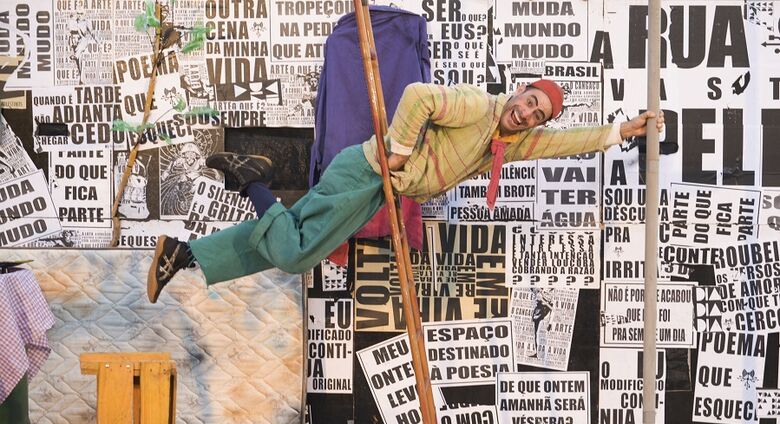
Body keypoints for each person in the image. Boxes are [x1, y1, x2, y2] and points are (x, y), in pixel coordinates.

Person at [147, 80, 665, 303]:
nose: (527, 113)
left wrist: (622, 131)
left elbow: (564, 143)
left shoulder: (511, 141)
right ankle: (251, 177)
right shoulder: (480, 107)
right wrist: (398, 149)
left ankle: (184, 254)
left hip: (375, 193)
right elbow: (418, 96)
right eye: (529, 101)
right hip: (366, 173)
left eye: (538, 114)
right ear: (519, 90)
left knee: (276, 239)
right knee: (294, 253)